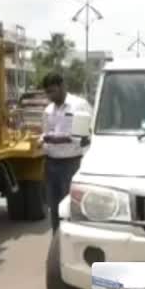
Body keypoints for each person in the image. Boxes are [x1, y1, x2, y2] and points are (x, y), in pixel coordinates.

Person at [40, 72, 92, 233]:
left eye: (53, 91)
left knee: (71, 207)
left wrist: (56, 139)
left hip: (71, 164)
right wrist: (44, 139)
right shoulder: (48, 110)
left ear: (62, 86)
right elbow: (45, 134)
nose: (50, 96)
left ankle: (74, 240)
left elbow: (83, 137)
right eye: (48, 92)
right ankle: (57, 241)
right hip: (51, 163)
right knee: (54, 208)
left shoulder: (79, 105)